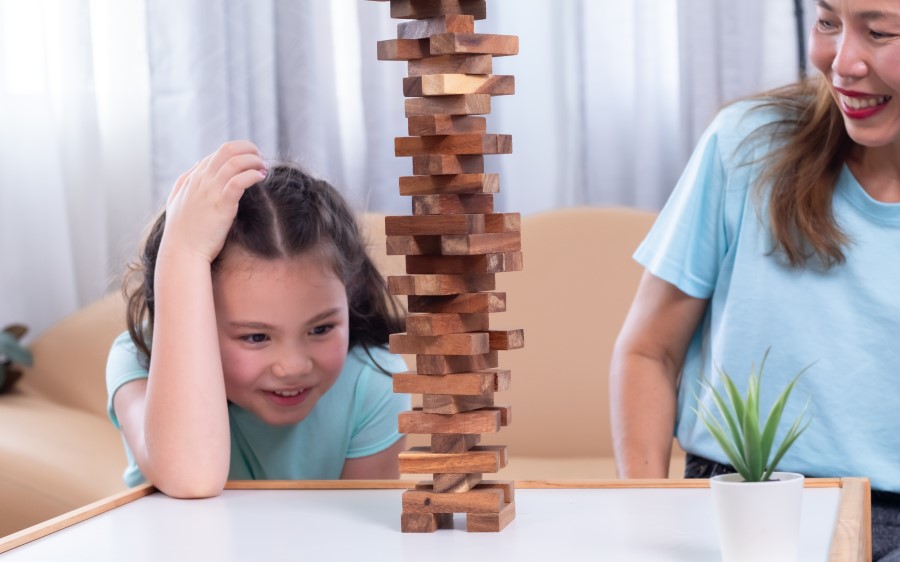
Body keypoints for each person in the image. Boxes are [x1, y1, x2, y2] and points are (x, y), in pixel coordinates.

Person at [610, 0, 900, 558]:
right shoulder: (747, 144)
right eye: (828, 23)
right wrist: (646, 518)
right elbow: (649, 353)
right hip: (744, 496)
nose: (842, 63)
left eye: (879, 32)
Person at [106, 141, 410, 498]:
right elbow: (191, 478)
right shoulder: (139, 361)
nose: (293, 366)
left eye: (321, 328)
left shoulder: (373, 383)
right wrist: (183, 253)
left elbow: (361, 542)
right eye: (255, 337)